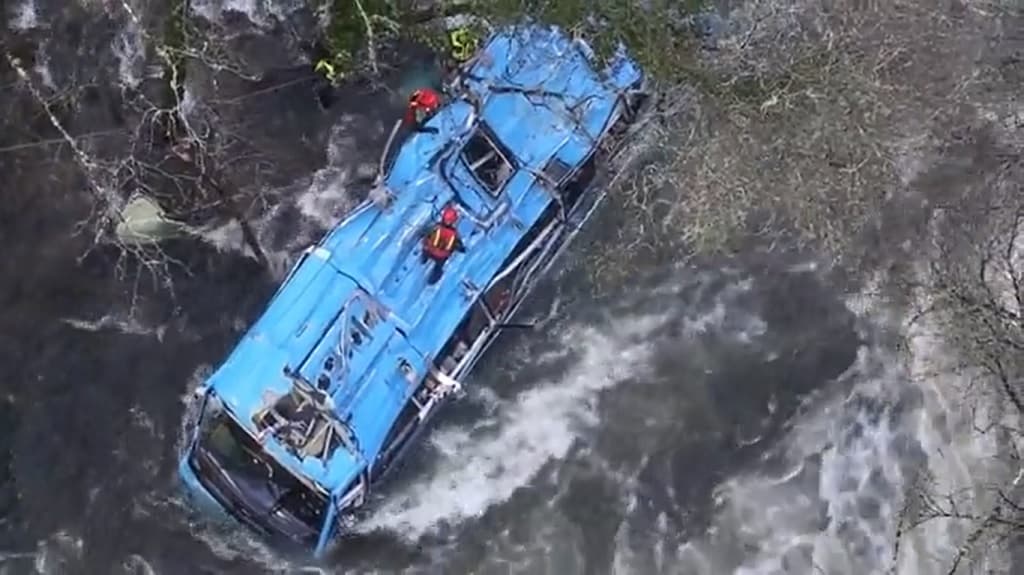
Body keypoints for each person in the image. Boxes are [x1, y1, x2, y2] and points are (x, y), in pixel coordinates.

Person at [421, 204, 465, 285]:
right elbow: (460, 247)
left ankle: (423, 260)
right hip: (441, 257)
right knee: (439, 266)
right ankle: (433, 278)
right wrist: (461, 248)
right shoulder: (454, 234)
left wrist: (424, 236)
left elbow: (426, 233)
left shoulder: (437, 227)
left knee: (425, 247)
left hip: (430, 250)